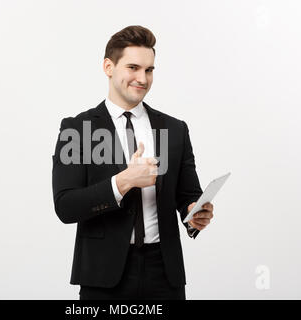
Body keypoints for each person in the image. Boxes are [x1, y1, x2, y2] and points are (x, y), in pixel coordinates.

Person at [52, 25, 214, 300]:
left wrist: (194, 214)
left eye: (149, 70)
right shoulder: (77, 129)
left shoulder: (174, 129)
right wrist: (124, 181)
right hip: (104, 276)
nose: (142, 78)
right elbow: (66, 206)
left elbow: (188, 195)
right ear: (108, 66)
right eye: (133, 67)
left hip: (164, 274)